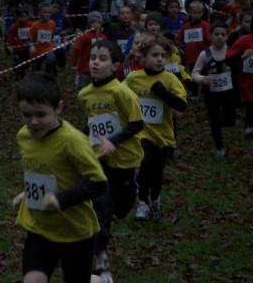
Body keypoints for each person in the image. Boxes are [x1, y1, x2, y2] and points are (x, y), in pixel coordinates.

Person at [13, 72, 107, 283]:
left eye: (41, 114)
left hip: (75, 231)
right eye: (26, 115)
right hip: (40, 228)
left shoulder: (73, 141)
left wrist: (61, 198)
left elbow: (98, 183)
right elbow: (42, 171)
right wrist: (27, 192)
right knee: (33, 279)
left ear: (58, 108)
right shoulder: (23, 136)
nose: (33, 122)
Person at [78, 40, 144, 281]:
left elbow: (137, 124)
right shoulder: (84, 94)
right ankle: (101, 265)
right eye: (93, 57)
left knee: (122, 207)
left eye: (102, 58)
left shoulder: (121, 92)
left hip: (126, 160)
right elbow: (92, 122)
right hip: (100, 161)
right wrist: (81, 142)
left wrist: (113, 141)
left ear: (116, 65)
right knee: (101, 212)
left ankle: (133, 192)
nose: (95, 61)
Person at [124, 36, 187, 220]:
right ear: (143, 58)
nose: (160, 59)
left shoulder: (170, 79)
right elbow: (119, 96)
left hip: (164, 134)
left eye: (163, 55)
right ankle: (142, 203)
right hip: (141, 132)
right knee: (145, 162)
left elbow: (181, 106)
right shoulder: (133, 78)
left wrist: (162, 92)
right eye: (155, 55)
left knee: (157, 171)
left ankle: (155, 199)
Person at [191, 22, 236, 157]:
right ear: (210, 36)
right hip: (211, 93)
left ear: (227, 36)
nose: (219, 37)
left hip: (229, 92)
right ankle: (219, 146)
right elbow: (194, 73)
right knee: (214, 119)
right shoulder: (205, 54)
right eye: (216, 34)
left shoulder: (231, 51)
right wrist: (201, 78)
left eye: (223, 34)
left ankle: (225, 123)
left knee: (230, 120)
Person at [225, 11, 253, 158]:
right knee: (252, 108)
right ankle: (249, 125)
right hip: (246, 86)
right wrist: (242, 56)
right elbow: (228, 59)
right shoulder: (244, 40)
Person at [176, 1, 211, 100]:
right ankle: (195, 94)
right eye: (194, 13)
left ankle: (206, 91)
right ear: (189, 12)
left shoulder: (205, 25)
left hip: (204, 56)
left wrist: (210, 53)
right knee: (193, 76)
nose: (196, 15)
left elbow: (210, 40)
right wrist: (180, 46)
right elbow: (178, 39)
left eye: (199, 13)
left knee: (205, 74)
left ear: (202, 14)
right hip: (191, 57)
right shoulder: (185, 26)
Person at [72, 11, 107, 90]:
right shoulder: (85, 36)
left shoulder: (104, 37)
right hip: (85, 67)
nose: (96, 24)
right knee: (83, 87)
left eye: (98, 22)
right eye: (93, 22)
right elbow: (77, 49)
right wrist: (74, 62)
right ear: (89, 24)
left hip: (98, 68)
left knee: (96, 87)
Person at [28, 2, 56, 74]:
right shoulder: (35, 25)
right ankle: (34, 80)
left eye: (49, 12)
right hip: (37, 51)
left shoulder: (52, 23)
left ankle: (49, 75)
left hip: (48, 48)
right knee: (35, 69)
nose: (47, 14)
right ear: (39, 13)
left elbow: (52, 34)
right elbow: (29, 38)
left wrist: (53, 39)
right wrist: (31, 46)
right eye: (44, 12)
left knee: (51, 59)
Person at [7, 8, 32, 80]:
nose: (23, 18)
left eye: (25, 16)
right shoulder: (14, 27)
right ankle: (20, 77)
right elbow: (10, 38)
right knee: (22, 63)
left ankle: (14, 68)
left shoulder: (31, 25)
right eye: (21, 17)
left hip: (29, 48)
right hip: (19, 49)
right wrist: (10, 46)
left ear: (27, 16)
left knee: (27, 64)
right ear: (17, 17)